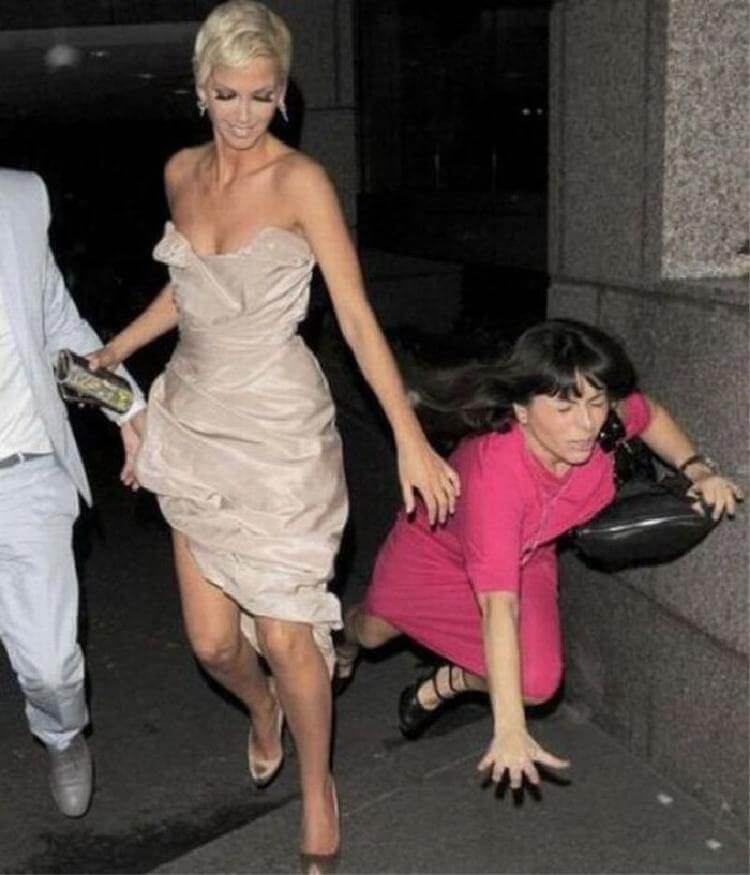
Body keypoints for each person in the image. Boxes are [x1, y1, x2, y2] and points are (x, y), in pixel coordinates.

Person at [89, 1, 458, 868]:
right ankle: (264, 709)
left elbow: (356, 319)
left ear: (283, 92)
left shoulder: (301, 184)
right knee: (215, 643)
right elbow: (189, 289)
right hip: (195, 419)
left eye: (262, 95)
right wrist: (117, 347)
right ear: (200, 89)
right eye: (228, 94)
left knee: (289, 634)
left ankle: (318, 783)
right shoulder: (181, 173)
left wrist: (408, 435)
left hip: (281, 430)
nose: (245, 115)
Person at [335, 319, 742, 790]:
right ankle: (340, 639)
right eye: (564, 408)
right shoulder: (496, 479)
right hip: (435, 552)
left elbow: (646, 413)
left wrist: (697, 469)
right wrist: (509, 730)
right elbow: (498, 606)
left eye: (595, 402)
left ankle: (449, 682)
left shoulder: (603, 422)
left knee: (538, 685)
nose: (586, 424)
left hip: (529, 553)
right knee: (372, 634)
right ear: (521, 410)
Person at [0, 167, 145, 817]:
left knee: (52, 669)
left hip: (23, 473)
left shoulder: (17, 200)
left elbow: (58, 326)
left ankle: (61, 734)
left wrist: (128, 408)